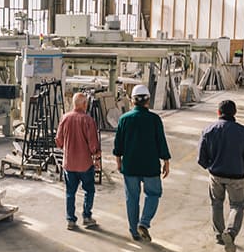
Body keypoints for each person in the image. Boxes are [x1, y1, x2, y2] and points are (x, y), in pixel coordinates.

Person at [197, 100, 244, 252]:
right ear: (235, 113)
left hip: (216, 175)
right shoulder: (243, 132)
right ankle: (230, 233)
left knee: (216, 204)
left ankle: (219, 235)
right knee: (237, 205)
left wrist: (210, 167)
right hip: (236, 176)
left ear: (218, 113)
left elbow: (201, 158)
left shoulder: (208, 130)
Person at [113, 84, 171, 242]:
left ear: (132, 101)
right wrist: (166, 161)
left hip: (130, 166)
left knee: (132, 198)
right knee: (153, 194)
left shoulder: (124, 119)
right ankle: (143, 223)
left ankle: (134, 231)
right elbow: (161, 142)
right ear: (148, 101)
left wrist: (119, 161)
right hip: (150, 166)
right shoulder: (154, 119)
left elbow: (118, 144)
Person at [55, 93, 101, 230]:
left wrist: (68, 147)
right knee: (89, 190)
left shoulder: (65, 118)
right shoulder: (88, 120)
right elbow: (93, 145)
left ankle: (70, 220)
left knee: (70, 192)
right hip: (85, 164)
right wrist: (97, 157)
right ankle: (86, 217)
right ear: (84, 104)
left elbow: (58, 140)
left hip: (69, 163)